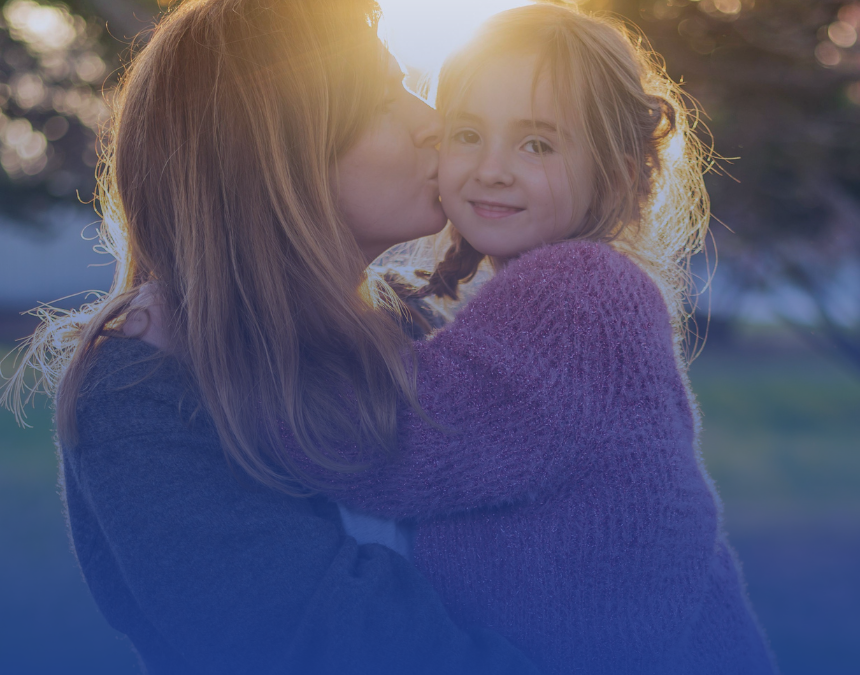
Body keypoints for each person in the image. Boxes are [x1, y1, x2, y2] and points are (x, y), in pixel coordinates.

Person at [2, 1, 548, 673]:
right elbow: (321, 642)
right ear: (275, 152)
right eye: (383, 100)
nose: (431, 122)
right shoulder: (143, 389)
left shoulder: (412, 326)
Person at [270, 5, 779, 674]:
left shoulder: (577, 295)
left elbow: (387, 448)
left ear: (620, 171)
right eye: (468, 133)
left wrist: (239, 338)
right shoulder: (568, 293)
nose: (493, 168)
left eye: (536, 143)